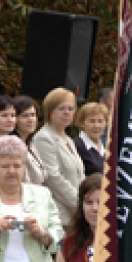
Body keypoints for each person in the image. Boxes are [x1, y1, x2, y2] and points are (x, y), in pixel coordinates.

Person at [31, 87, 85, 227]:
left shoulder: (69, 139)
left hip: (78, 213)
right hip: (60, 214)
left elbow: (80, 175)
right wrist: (79, 205)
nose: (67, 112)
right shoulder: (44, 138)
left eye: (71, 108)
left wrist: (88, 200)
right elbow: (53, 178)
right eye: (61, 108)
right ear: (50, 111)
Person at [12, 95, 46, 186]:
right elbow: (24, 182)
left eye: (33, 115)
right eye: (25, 116)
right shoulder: (13, 147)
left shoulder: (30, 144)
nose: (30, 119)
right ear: (15, 119)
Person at [74, 102, 109, 176]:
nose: (96, 125)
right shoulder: (76, 146)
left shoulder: (106, 146)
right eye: (92, 121)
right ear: (82, 123)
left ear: (106, 123)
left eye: (100, 121)